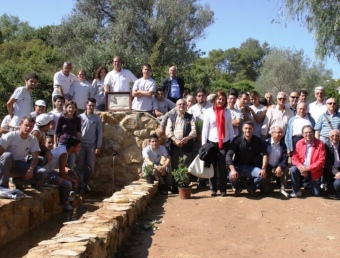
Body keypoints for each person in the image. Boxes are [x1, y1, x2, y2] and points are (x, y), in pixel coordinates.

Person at [0, 116, 49, 189]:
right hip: (5, 164)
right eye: (26, 125)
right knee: (8, 155)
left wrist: (31, 169)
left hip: (20, 164)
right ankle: (3, 186)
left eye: (31, 126)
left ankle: (19, 181)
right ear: (20, 124)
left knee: (43, 172)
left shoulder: (32, 139)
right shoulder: (10, 136)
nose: (28, 128)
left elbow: (35, 158)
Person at [202, 91, 234, 196]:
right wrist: (204, 145)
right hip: (212, 142)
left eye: (223, 99)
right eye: (219, 99)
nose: (221, 101)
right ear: (215, 99)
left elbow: (230, 128)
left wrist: (232, 144)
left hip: (224, 142)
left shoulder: (227, 112)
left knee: (222, 166)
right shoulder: (208, 111)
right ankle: (213, 189)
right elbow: (205, 129)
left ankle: (223, 189)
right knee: (212, 166)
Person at [226, 121, 268, 197]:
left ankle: (251, 188)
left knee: (263, 175)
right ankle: (238, 187)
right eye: (246, 128)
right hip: (238, 167)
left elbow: (265, 155)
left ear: (253, 129)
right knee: (231, 176)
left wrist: (263, 169)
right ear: (242, 129)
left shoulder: (258, 141)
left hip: (252, 168)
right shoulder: (237, 140)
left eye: (250, 128)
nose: (248, 130)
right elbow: (228, 155)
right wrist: (232, 170)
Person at [44, 136, 81, 211]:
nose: (79, 148)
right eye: (78, 147)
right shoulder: (64, 154)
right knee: (68, 183)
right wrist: (73, 181)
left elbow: (63, 167)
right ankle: (65, 203)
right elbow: (62, 174)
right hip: (46, 174)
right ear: (72, 147)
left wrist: (73, 173)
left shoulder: (64, 150)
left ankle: (69, 196)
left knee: (71, 176)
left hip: (51, 171)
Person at [290, 125, 325, 197]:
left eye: (310, 132)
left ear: (313, 133)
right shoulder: (299, 143)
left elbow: (321, 161)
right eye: (306, 132)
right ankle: (296, 191)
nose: (308, 134)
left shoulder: (320, 144)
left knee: (316, 193)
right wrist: (300, 166)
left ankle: (314, 184)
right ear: (302, 134)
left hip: (314, 171)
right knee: (293, 169)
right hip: (301, 168)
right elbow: (294, 157)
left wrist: (308, 168)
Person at [76, 99, 102, 194]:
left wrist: (98, 146)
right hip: (81, 145)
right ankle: (81, 186)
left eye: (93, 106)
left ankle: (84, 183)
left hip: (91, 145)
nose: (91, 107)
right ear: (86, 105)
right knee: (79, 165)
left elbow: (99, 133)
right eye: (90, 105)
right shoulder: (80, 117)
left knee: (90, 166)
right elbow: (77, 131)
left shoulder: (97, 118)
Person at [166, 99, 196, 172]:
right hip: (174, 146)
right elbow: (168, 131)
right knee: (175, 166)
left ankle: (185, 182)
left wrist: (187, 138)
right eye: (180, 104)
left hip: (187, 145)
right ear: (176, 106)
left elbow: (194, 130)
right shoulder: (171, 117)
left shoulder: (191, 117)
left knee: (186, 166)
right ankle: (175, 183)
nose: (181, 105)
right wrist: (175, 140)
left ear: (186, 106)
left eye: (183, 104)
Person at [55, 101, 82, 170]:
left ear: (75, 109)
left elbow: (78, 132)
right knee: (61, 165)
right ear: (66, 108)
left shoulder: (77, 119)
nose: (71, 109)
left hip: (72, 144)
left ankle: (70, 180)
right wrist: (55, 144)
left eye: (73, 107)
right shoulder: (62, 118)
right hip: (62, 143)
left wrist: (79, 144)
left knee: (71, 165)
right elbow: (56, 132)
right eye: (69, 107)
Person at [265, 126, 290, 197]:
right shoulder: (265, 144)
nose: (280, 134)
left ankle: (282, 189)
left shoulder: (283, 145)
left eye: (281, 132)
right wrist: (271, 168)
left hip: (278, 168)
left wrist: (279, 166)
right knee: (265, 191)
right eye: (278, 132)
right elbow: (261, 159)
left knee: (286, 169)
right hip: (267, 168)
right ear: (272, 133)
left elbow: (285, 159)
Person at [324, 129, 340, 199]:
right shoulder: (326, 146)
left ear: (339, 137)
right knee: (332, 191)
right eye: (332, 136)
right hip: (331, 172)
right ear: (329, 137)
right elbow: (327, 163)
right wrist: (336, 173)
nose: (334, 138)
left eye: (337, 136)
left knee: (337, 184)